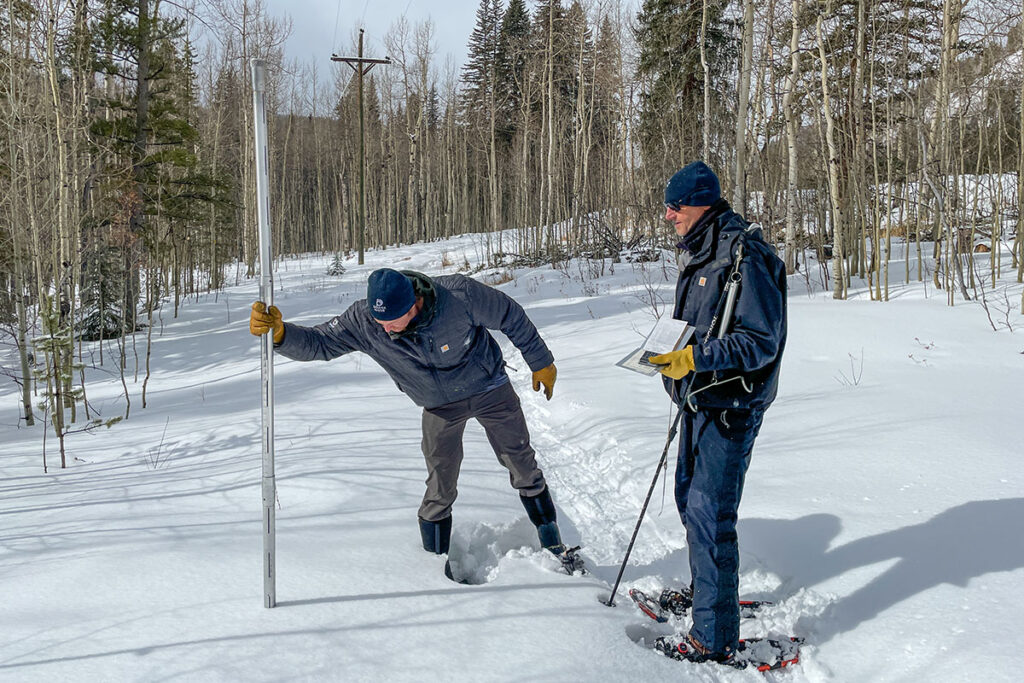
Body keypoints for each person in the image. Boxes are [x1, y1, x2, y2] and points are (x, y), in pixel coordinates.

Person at [249, 267, 582, 575]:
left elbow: (510, 316)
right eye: (381, 321)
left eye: (394, 320)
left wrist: (540, 361)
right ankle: (431, 567)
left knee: (520, 461)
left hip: (489, 387)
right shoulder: (365, 321)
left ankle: (552, 540)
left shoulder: (459, 296)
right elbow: (319, 344)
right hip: (438, 406)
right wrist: (280, 334)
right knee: (440, 481)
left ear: (415, 302)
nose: (387, 328)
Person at [647, 161, 787, 663]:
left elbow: (760, 342)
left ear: (702, 203)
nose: (669, 217)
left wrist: (697, 359)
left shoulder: (745, 257)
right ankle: (705, 594)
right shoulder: (703, 252)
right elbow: (695, 325)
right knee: (690, 500)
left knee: (711, 513)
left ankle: (714, 636)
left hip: (732, 406)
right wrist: (667, 356)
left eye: (675, 207)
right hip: (699, 399)